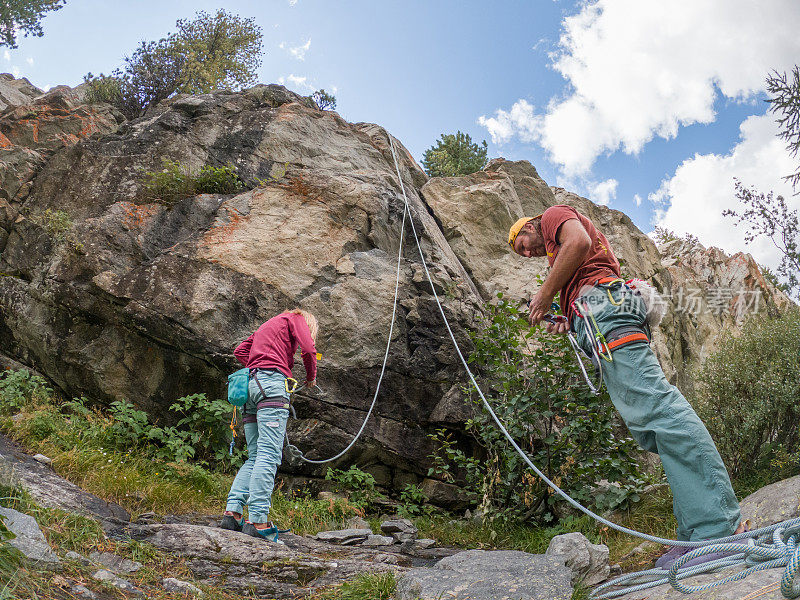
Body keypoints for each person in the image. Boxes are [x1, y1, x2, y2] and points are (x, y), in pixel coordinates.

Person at [508, 205, 745, 568]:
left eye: (522, 242)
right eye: (521, 253)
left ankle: (716, 531)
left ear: (532, 225)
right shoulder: (564, 262)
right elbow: (580, 261)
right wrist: (566, 316)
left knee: (661, 412)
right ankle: (694, 535)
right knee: (653, 427)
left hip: (607, 310)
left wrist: (543, 296)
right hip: (601, 317)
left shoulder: (554, 215)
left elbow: (579, 241)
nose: (526, 251)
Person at [220, 309, 319, 542]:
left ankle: (232, 513)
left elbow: (240, 351)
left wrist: (261, 363)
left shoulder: (268, 324)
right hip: (271, 387)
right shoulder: (295, 318)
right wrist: (311, 377)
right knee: (268, 454)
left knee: (255, 455)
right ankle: (258, 520)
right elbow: (308, 349)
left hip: (250, 386)